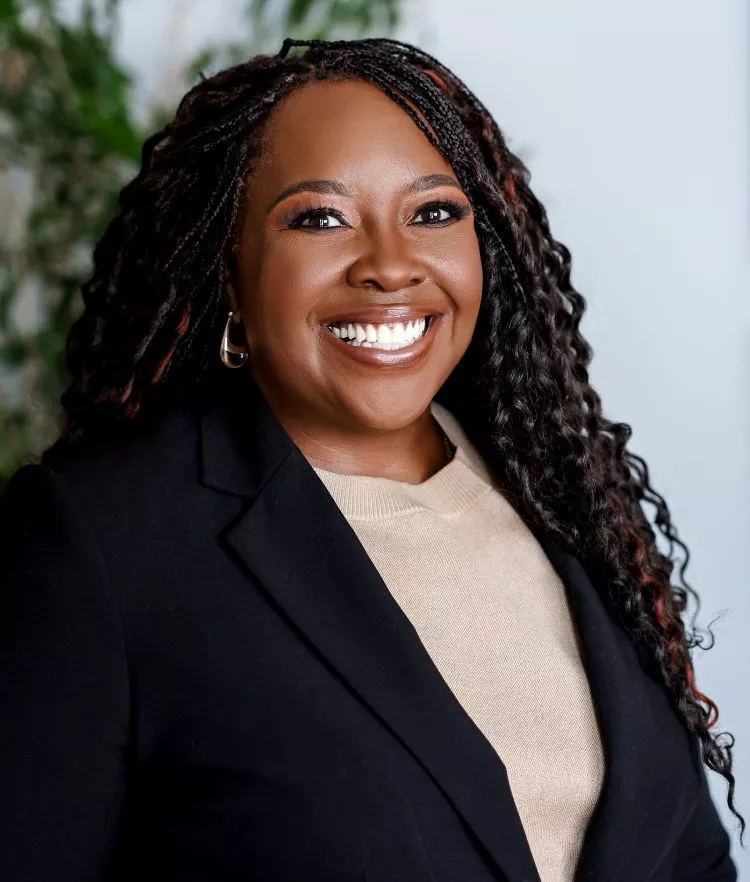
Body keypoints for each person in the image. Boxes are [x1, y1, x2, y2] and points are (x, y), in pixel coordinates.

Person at [0, 36, 741, 882]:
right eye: (320, 219)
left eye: (434, 213)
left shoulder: (565, 496)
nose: (390, 267)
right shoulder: (105, 543)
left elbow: (690, 858)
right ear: (231, 274)